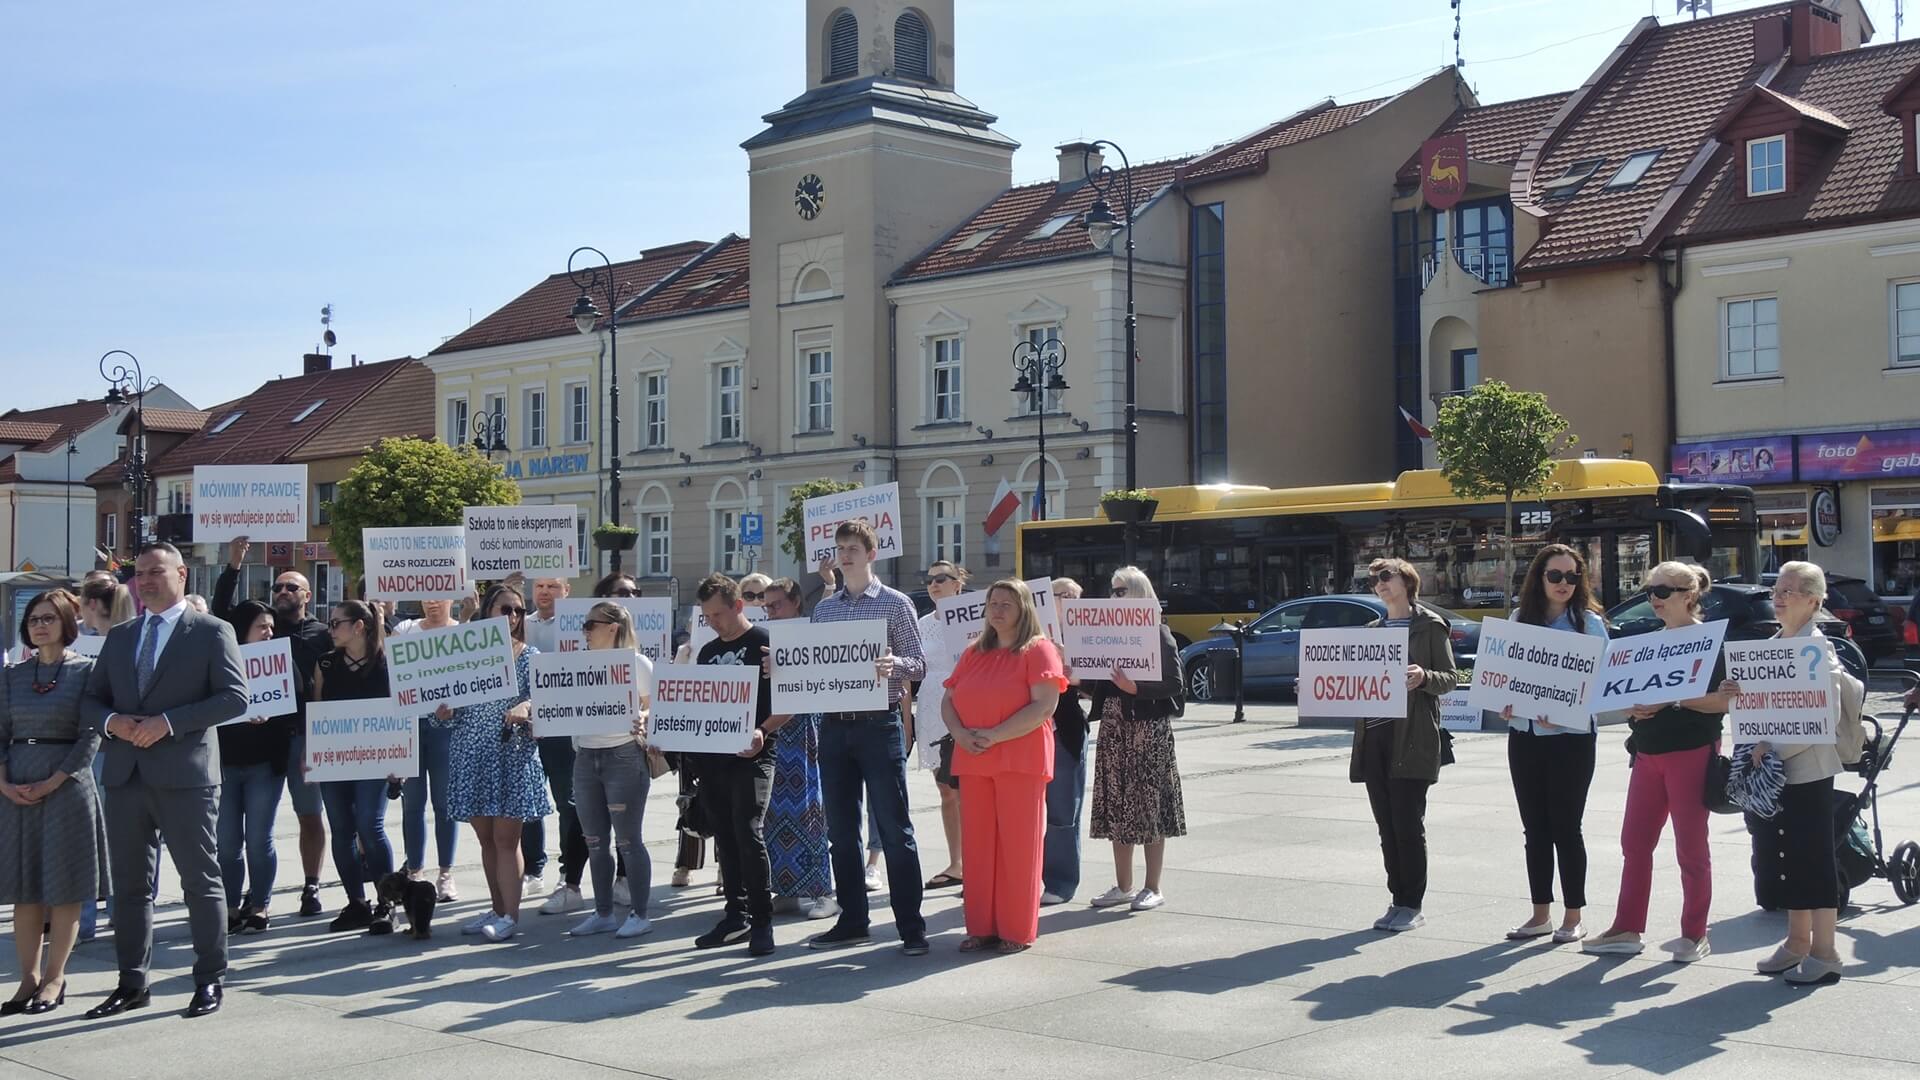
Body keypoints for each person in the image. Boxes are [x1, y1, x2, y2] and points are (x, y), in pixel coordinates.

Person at [81, 542, 248, 1019]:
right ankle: (132, 982)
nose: (147, 580)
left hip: (185, 777)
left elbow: (234, 698)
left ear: (182, 575)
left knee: (200, 881)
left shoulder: (212, 631)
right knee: (130, 887)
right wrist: (113, 722)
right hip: (126, 775)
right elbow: (92, 701)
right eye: (141, 574)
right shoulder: (122, 635)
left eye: (157, 572)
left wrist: (169, 722)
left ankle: (210, 979)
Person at [1585, 562, 1739, 962]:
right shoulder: (1648, 641)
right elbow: (1626, 699)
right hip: (1648, 752)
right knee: (1634, 843)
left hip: (1691, 751)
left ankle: (1694, 933)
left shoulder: (1710, 642)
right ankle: (1627, 927)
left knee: (1690, 847)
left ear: (1689, 595)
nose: (1654, 598)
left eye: (1663, 591)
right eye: (1651, 590)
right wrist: (1635, 708)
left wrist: (1672, 698)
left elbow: (1724, 701)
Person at [805, 520, 930, 955]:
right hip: (835, 726)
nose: (845, 554)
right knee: (841, 831)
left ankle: (911, 926)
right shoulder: (825, 609)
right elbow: (813, 665)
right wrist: (781, 671)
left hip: (879, 724)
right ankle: (853, 920)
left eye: (853, 547)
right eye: (840, 548)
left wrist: (894, 665)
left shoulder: (895, 604)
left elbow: (920, 663)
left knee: (895, 830)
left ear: (872, 553)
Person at [1752, 561, 1866, 985]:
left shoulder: (1819, 650)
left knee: (1813, 860)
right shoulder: (1776, 641)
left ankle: (1825, 951)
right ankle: (1797, 942)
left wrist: (1771, 746)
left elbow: (1821, 718)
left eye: (1792, 590)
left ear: (1815, 601)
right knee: (1788, 857)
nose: (1779, 597)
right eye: (1778, 589)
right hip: (1777, 771)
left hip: (1808, 770)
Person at [942, 579, 1066, 953]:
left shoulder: (1039, 650)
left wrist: (995, 734)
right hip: (974, 757)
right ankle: (981, 927)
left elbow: (1044, 706)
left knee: (1019, 846)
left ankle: (1016, 930)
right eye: (992, 603)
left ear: (1024, 609)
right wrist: (960, 734)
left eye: (1006, 604)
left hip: (1019, 759)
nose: (996, 610)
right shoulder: (973, 651)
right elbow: (949, 699)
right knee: (978, 846)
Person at [1, 590, 109, 1015]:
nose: (39, 624)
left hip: (67, 784)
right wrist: (4, 782)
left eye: (48, 618)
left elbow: (91, 735)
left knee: (64, 889)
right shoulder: (11, 675)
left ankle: (55, 977)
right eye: (33, 619)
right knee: (25, 890)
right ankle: (27, 978)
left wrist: (55, 780)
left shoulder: (87, 672)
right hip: (17, 785)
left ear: (66, 623)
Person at [213, 538, 332, 918]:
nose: (282, 592)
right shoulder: (263, 626)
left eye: (290, 587)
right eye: (277, 587)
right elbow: (221, 611)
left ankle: (311, 884)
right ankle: (242, 901)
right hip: (264, 742)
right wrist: (233, 566)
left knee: (309, 814)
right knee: (244, 834)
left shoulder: (321, 634)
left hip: (303, 738)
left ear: (307, 595)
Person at [1500, 544, 1607, 944]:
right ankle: (1539, 914)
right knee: (1535, 829)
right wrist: (1506, 704)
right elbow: (1506, 675)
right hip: (1525, 737)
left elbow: (1601, 685)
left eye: (1572, 576)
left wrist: (1567, 712)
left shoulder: (1589, 624)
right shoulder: (1518, 620)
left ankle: (1573, 915)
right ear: (1539, 578)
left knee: (1567, 827)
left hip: (1572, 741)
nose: (1564, 584)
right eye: (1555, 575)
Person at [1349, 558, 1459, 934]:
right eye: (1372, 580)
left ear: (1406, 581)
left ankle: (1413, 903)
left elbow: (1450, 678)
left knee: (1408, 823)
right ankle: (1397, 899)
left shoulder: (1429, 626)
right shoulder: (1372, 629)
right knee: (1386, 825)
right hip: (1375, 739)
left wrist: (1424, 675)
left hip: (1412, 738)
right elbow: (1355, 682)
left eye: (1385, 577)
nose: (1378, 584)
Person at [444, 584, 550, 942]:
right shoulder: (463, 657)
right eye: (505, 610)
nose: (514, 617)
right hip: (471, 756)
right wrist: (443, 710)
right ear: (488, 611)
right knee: (486, 841)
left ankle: (511, 916)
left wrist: (527, 706)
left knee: (507, 841)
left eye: (519, 610)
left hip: (511, 757)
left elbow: (547, 700)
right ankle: (498, 906)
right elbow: (442, 716)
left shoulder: (529, 654)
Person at [689, 574, 788, 956]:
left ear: (738, 606)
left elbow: (791, 699)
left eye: (717, 613)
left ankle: (762, 921)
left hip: (755, 755)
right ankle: (736, 916)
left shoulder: (765, 643)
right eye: (707, 616)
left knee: (748, 833)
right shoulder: (707, 652)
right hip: (713, 760)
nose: (712, 621)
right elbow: (697, 705)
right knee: (725, 839)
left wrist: (763, 731)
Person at [1086, 566, 1187, 913]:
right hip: (1114, 729)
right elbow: (1099, 679)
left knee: (1150, 808)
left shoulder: (1159, 634)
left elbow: (1175, 684)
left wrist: (1138, 689)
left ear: (1138, 593)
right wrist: (1075, 679)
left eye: (1120, 591)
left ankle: (1152, 886)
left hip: (1148, 730)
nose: (1113, 597)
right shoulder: (1107, 633)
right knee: (1117, 805)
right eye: (1112, 591)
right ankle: (1124, 885)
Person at [566, 602, 658, 940]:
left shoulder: (638, 664)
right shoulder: (577, 664)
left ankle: (640, 913)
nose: (585, 631)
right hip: (586, 757)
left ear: (613, 628)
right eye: (585, 625)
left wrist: (645, 719)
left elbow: (655, 708)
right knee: (594, 840)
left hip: (623, 755)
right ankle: (603, 912)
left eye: (591, 625)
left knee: (629, 840)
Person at [312, 600, 399, 935]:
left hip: (376, 758)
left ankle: (386, 903)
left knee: (369, 825)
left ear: (359, 626)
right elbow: (317, 709)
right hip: (335, 759)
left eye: (336, 624)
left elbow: (402, 712)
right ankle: (356, 903)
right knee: (342, 829)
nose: (330, 629)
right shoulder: (326, 663)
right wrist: (312, 753)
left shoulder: (386, 662)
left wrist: (400, 762)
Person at [216, 600, 296, 935]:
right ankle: (231, 907)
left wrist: (272, 715)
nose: (269, 632)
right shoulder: (219, 663)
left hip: (265, 764)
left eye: (272, 627)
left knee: (259, 839)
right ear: (243, 628)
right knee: (227, 843)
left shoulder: (281, 660)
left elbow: (296, 705)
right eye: (262, 626)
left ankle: (260, 904)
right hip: (225, 765)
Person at [762, 576, 836, 920]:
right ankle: (787, 888)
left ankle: (823, 891)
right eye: (767, 606)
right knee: (775, 812)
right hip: (775, 731)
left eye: (777, 604)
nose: (771, 611)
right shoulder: (766, 638)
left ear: (795, 603)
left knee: (809, 809)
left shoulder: (810, 633)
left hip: (804, 730)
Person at [518, 575, 588, 916]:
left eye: (553, 586)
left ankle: (567, 871)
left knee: (566, 801)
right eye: (539, 586)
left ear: (566, 591)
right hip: (526, 725)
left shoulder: (579, 626)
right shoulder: (521, 623)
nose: (544, 592)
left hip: (563, 724)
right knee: (529, 802)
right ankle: (533, 867)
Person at [75, 576, 137, 943]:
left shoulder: (116, 640)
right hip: (107, 744)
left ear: (93, 605)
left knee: (92, 836)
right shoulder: (129, 638)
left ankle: (89, 918)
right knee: (119, 835)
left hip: (102, 744)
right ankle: (116, 913)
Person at [389, 599, 461, 902]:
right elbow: (392, 668)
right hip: (411, 725)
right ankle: (415, 870)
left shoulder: (463, 632)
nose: (433, 601)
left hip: (445, 728)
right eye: (427, 595)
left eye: (440, 594)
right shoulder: (406, 629)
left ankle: (446, 872)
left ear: (452, 598)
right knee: (413, 804)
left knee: (445, 805)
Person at [909, 561, 969, 893]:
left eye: (941, 579)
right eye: (929, 579)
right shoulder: (922, 623)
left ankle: (976, 862)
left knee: (968, 790)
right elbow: (914, 669)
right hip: (931, 707)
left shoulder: (976, 619)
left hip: (965, 705)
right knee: (946, 789)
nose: (934, 584)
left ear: (958, 584)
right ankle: (956, 862)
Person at [1042, 578, 1091, 906]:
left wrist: (1067, 667)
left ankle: (1060, 882)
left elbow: (1092, 683)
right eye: (1064, 596)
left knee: (1062, 811)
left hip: (1067, 729)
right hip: (1030, 730)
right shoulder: (1033, 633)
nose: (1071, 601)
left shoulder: (1085, 636)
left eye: (1076, 596)